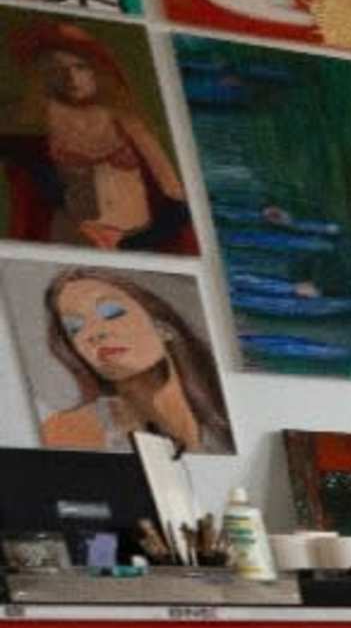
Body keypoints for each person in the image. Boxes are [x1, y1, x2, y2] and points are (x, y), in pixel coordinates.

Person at [16, 23, 180, 248]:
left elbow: (167, 179)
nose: (70, 78)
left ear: (96, 70)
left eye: (80, 67)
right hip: (75, 232)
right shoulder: (46, 117)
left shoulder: (122, 115)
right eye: (57, 70)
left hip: (132, 233)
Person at [31, 265, 229, 452]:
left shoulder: (224, 420)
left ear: (163, 327)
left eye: (111, 312)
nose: (92, 333)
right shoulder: (74, 430)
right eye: (75, 328)